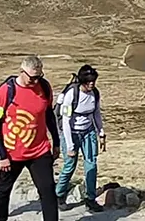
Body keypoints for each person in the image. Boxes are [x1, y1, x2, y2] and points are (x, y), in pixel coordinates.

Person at [0, 55, 62, 221]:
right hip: (12, 152)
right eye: (32, 77)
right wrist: (2, 155)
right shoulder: (6, 90)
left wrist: (56, 142)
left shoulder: (44, 87)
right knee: (3, 190)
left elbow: (49, 115)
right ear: (22, 72)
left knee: (48, 189)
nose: (35, 81)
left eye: (39, 77)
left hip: (39, 150)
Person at [54, 65, 106, 211]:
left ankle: (90, 198)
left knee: (91, 164)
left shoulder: (95, 93)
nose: (92, 84)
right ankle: (59, 194)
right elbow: (65, 121)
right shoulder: (72, 94)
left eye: (93, 81)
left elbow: (96, 114)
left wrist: (101, 133)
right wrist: (70, 146)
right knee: (70, 165)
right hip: (71, 132)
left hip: (88, 131)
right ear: (83, 81)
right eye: (89, 81)